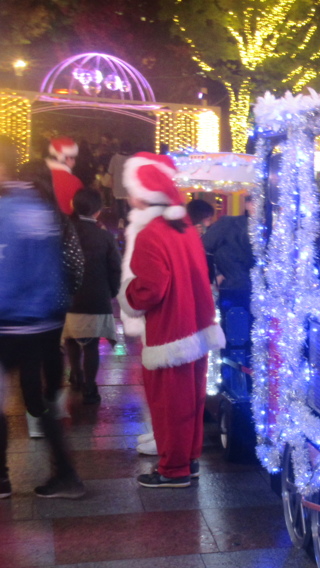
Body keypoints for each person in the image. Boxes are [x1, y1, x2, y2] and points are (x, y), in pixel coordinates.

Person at [118, 152, 225, 488]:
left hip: (169, 332)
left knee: (169, 404)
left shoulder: (152, 233)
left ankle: (173, 469)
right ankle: (188, 460)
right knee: (191, 400)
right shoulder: (185, 229)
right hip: (197, 326)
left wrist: (128, 293)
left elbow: (151, 288)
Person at [0, 137, 85, 499]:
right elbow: (67, 264)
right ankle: (66, 474)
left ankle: (2, 478)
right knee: (42, 401)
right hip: (45, 319)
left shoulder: (4, 208)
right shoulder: (42, 205)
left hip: (8, 320)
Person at [64, 188, 121, 405]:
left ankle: (75, 374)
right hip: (95, 298)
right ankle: (90, 386)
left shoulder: (64, 233)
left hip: (68, 299)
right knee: (91, 345)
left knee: (69, 338)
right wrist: (111, 292)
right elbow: (115, 268)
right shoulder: (104, 236)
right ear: (97, 212)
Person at [46, 136, 84, 216]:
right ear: (65, 158)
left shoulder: (42, 176)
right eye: (73, 158)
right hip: (66, 222)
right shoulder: (74, 181)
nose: (75, 162)